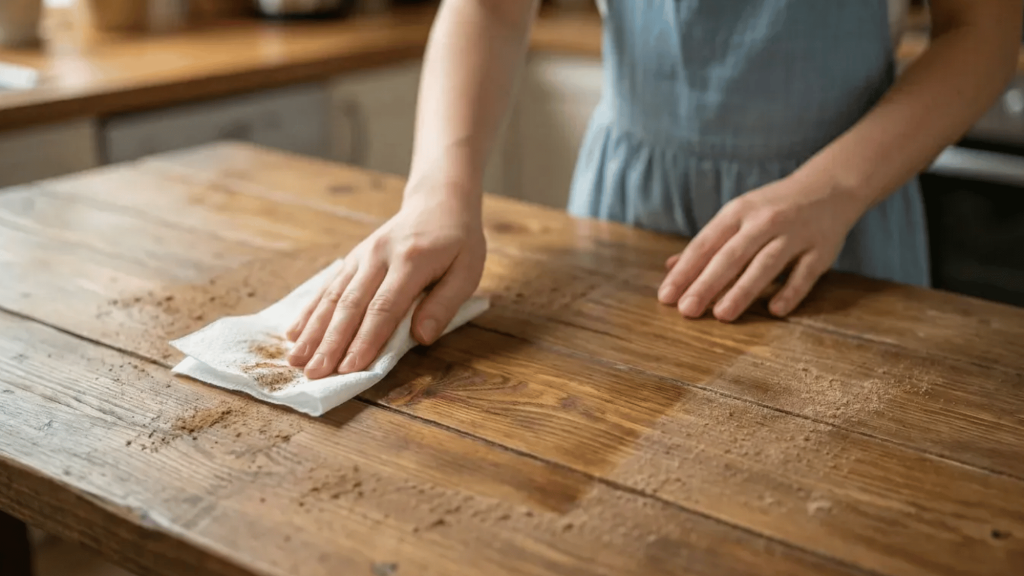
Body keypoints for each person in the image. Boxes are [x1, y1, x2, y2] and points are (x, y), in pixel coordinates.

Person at [287, 0, 1022, 379]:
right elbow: (491, 6)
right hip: (622, 208)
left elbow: (982, 30)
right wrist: (437, 194)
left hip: (843, 220)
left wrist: (831, 190)